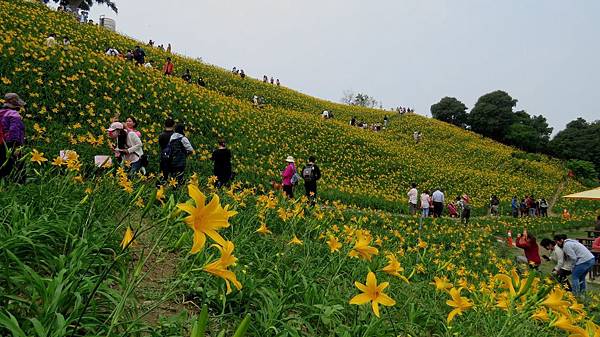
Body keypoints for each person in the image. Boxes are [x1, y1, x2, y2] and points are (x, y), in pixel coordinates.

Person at [0, 93, 26, 181]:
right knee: (17, 166)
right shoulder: (14, 114)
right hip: (10, 144)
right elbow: (14, 130)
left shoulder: (1, 112)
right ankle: (18, 185)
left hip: (1, 142)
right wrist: (16, 145)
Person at [158, 118, 175, 183]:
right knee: (172, 173)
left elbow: (161, 145)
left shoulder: (161, 135)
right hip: (173, 156)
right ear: (173, 125)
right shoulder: (175, 135)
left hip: (164, 155)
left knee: (163, 172)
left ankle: (162, 184)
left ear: (164, 125)